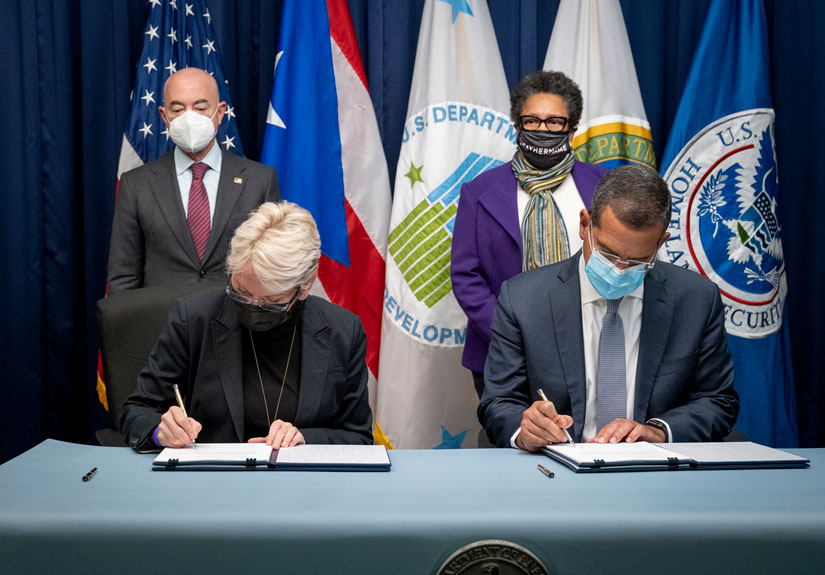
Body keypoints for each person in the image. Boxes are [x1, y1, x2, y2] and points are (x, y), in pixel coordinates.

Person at [478, 165, 739, 450]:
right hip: (557, 470)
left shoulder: (697, 300)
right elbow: (498, 402)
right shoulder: (524, 298)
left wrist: (660, 432)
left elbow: (718, 401)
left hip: (655, 471)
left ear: (660, 243)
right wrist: (525, 428)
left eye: (637, 260)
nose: (618, 269)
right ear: (584, 225)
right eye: (608, 253)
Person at [121, 202, 373, 451]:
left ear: (305, 286)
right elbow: (138, 410)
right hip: (213, 480)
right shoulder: (193, 318)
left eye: (271, 302)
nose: (253, 305)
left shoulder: (343, 330)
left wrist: (304, 439)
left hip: (303, 484)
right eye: (241, 293)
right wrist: (159, 432)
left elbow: (359, 437)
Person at [451, 70, 608, 398]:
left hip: (589, 348)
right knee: (511, 440)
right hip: (503, 355)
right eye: (532, 121)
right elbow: (465, 276)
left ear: (573, 129)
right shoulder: (478, 191)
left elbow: (619, 260)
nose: (542, 129)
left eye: (554, 122)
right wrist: (510, 334)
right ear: (517, 125)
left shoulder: (605, 186)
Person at [107, 67, 279, 294]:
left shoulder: (260, 181)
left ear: (219, 113)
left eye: (199, 108)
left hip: (235, 323)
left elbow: (273, 270)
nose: (189, 117)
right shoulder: (136, 185)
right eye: (177, 109)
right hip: (163, 324)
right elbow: (123, 279)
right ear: (164, 117)